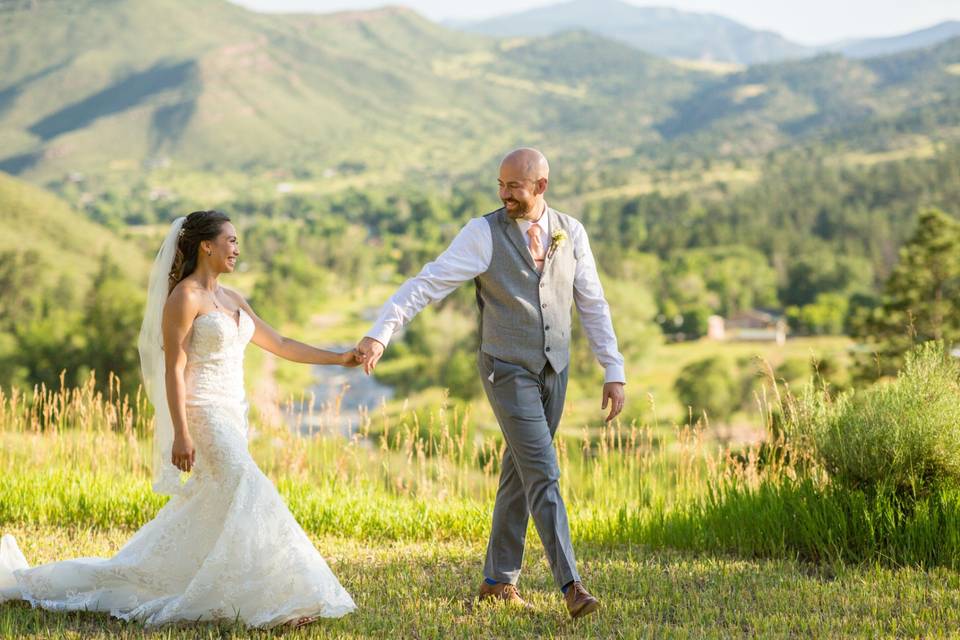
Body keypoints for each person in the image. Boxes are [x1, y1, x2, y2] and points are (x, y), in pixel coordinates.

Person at [0, 210, 358, 628]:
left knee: (216, 503)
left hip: (233, 412)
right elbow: (173, 369)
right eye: (231, 240)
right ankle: (282, 600)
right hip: (203, 412)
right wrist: (181, 433)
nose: (237, 249)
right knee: (249, 485)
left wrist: (340, 359)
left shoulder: (233, 299)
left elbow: (278, 342)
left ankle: (197, 584)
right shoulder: (184, 298)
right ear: (207, 246)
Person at [355, 148, 626, 619]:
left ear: (540, 187)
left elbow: (593, 303)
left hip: (554, 370)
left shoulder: (571, 231)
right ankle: (572, 585)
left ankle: (497, 581)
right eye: (499, 185)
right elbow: (428, 282)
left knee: (520, 471)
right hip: (506, 368)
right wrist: (382, 333)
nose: (504, 195)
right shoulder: (482, 233)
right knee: (542, 469)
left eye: (513, 188)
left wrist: (613, 368)